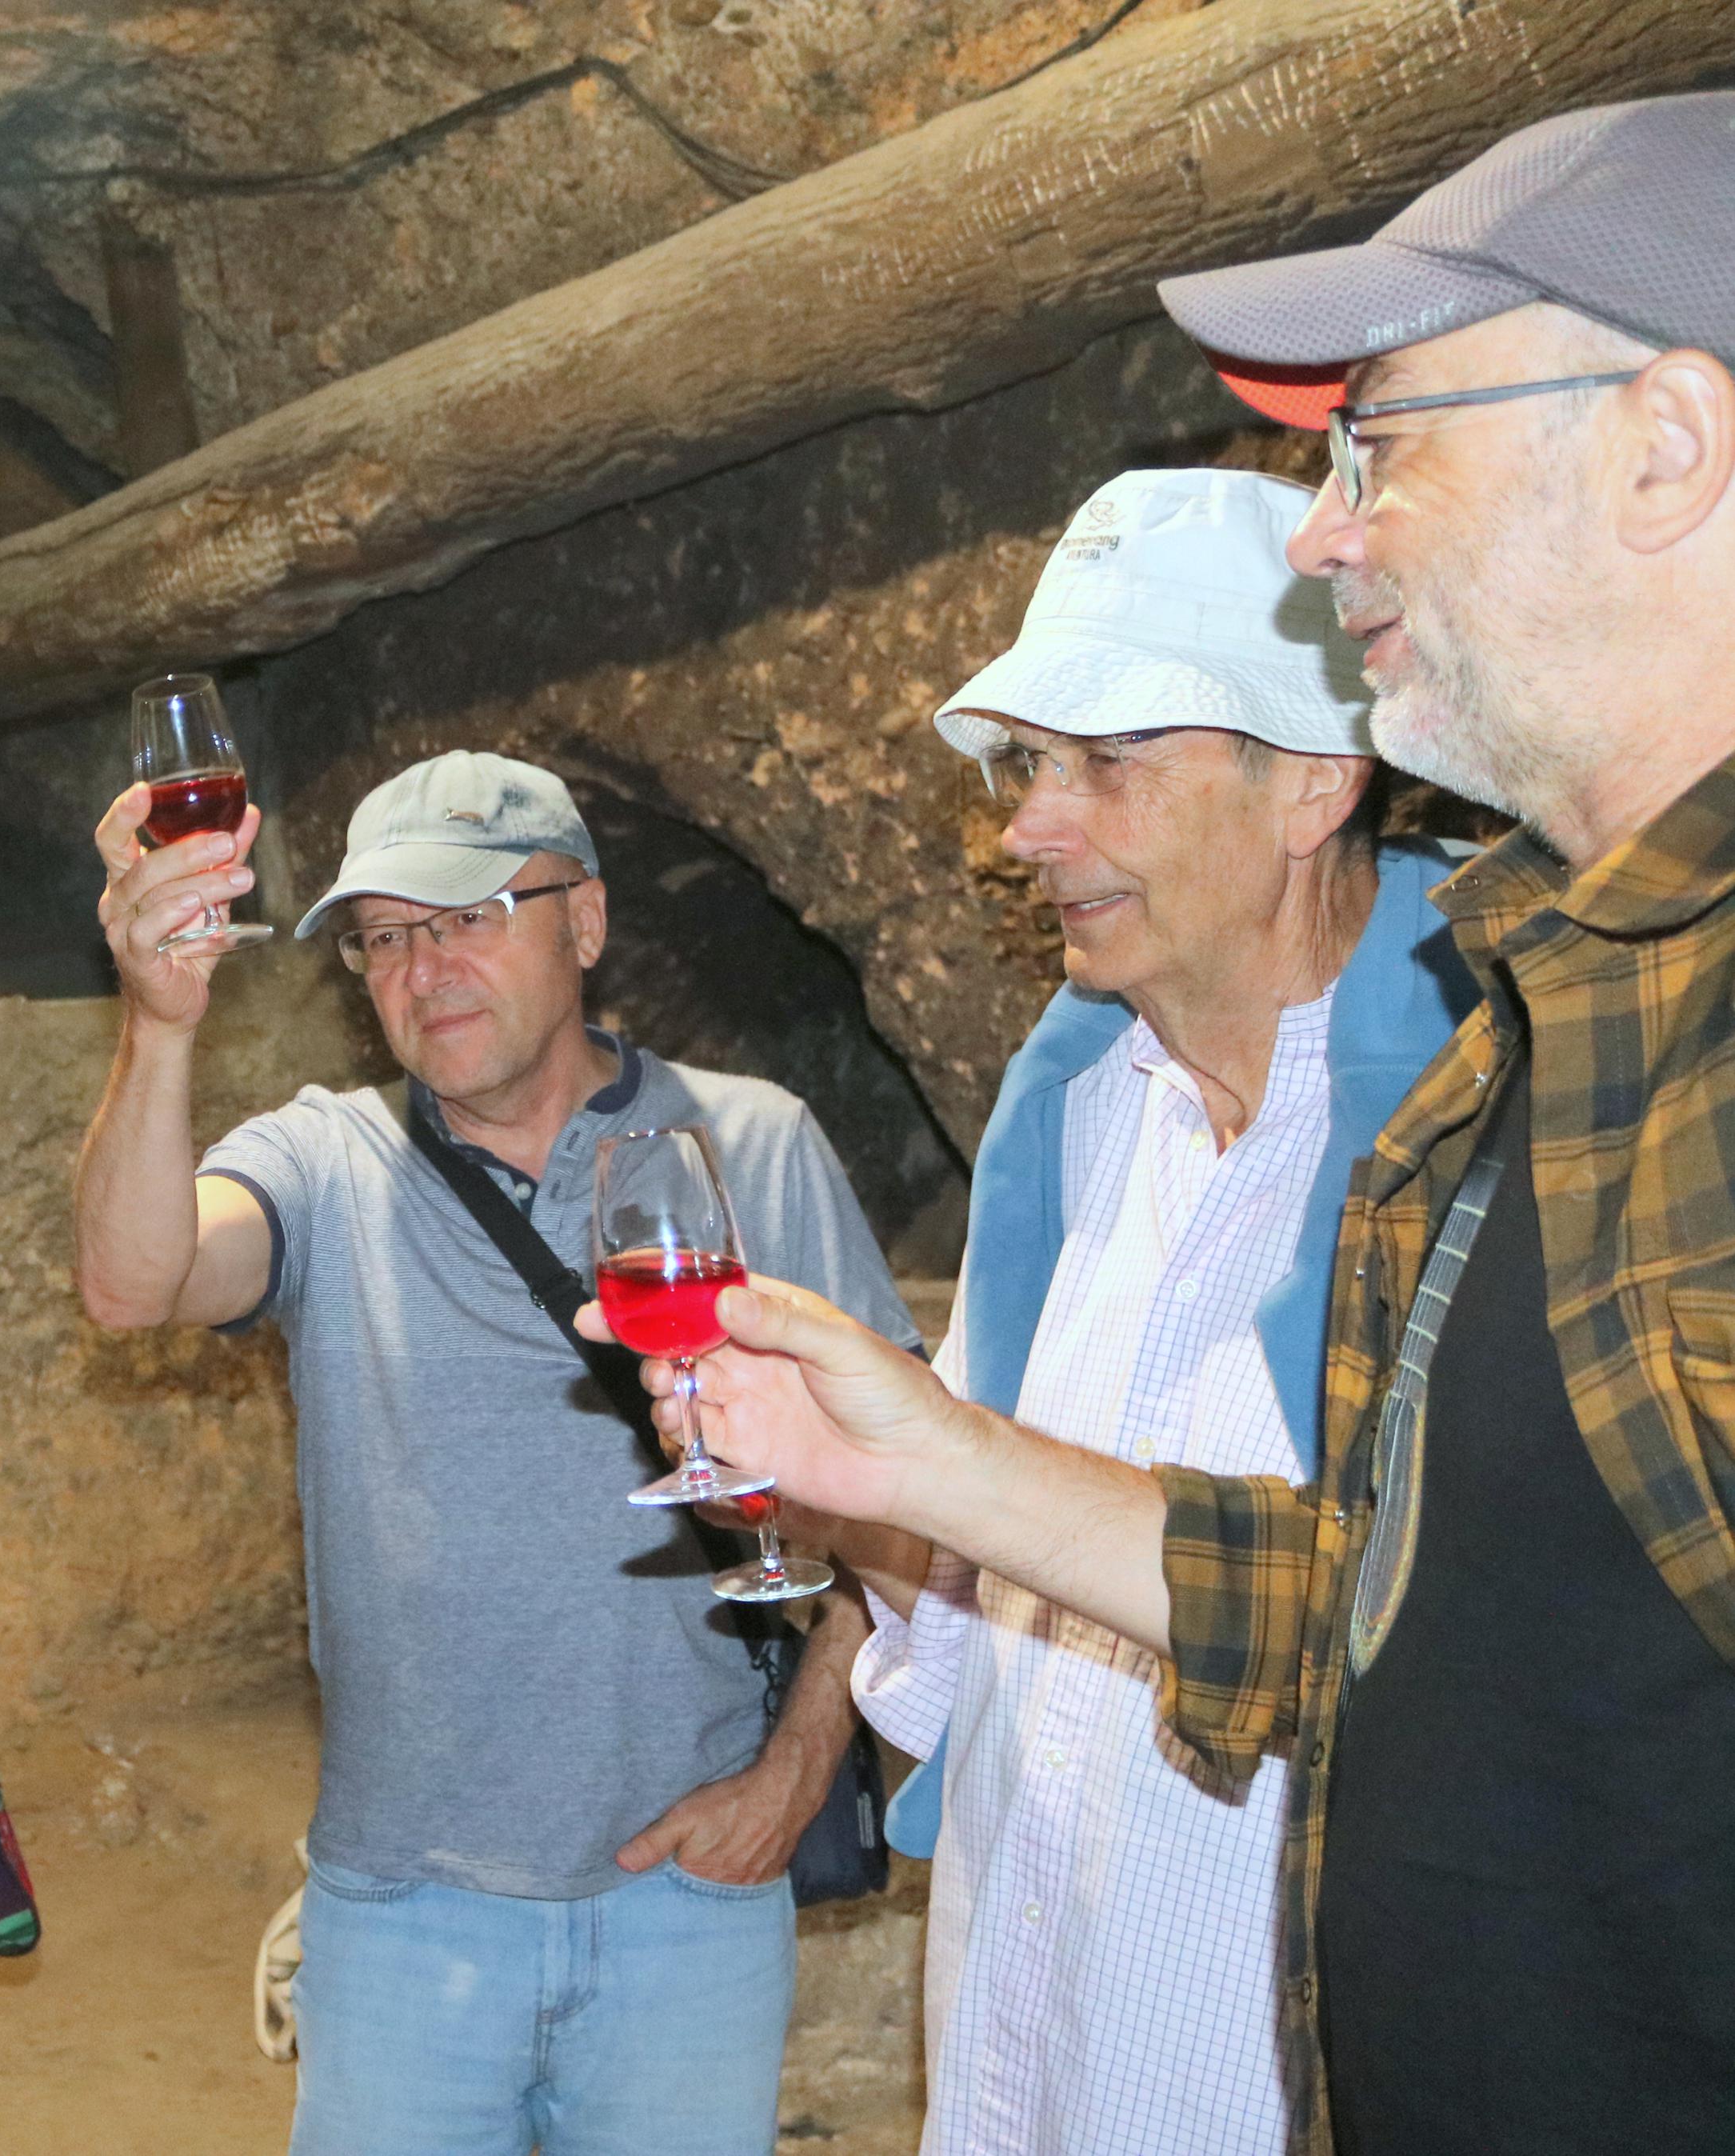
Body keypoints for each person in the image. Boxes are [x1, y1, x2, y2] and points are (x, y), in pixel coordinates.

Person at [593, 94, 1735, 2156]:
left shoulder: (1522, 1055)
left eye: (1384, 445)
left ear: (1668, 443)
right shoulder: (1535, 1032)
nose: (1326, 529)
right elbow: (1398, 1624)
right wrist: (923, 1470)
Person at [74, 748, 915, 2156]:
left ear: (584, 921)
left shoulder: (749, 1144)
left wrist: (795, 1775)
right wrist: (159, 1027)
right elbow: (128, 1283)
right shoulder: (326, 1162)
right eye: (384, 937)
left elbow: (907, 1507)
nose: (426, 969)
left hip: (685, 1904)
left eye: (469, 917)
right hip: (402, 1911)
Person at [828, 465, 1477, 2154]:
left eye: (1109, 763)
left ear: (1315, 779)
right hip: (1024, 2048)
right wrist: (837, 1490)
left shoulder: (1483, 1131)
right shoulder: (1072, 1111)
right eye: (1030, 765)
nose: (1029, 828)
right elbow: (972, 1603)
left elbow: (1477, 1671)